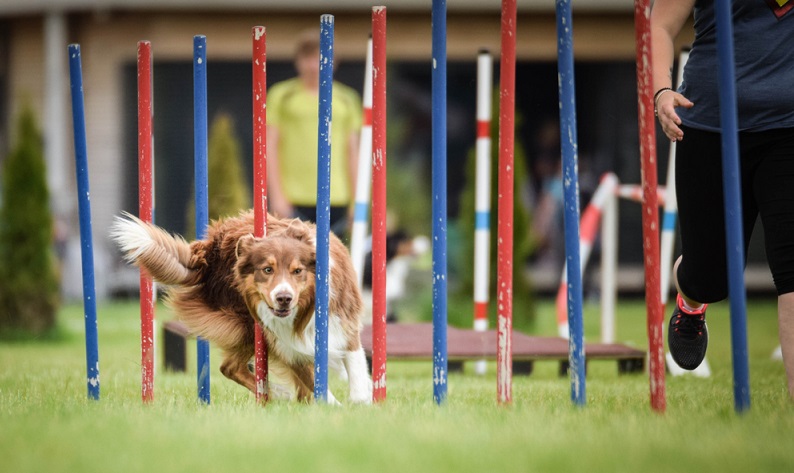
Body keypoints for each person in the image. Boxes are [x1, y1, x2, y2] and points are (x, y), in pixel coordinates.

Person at [651, 0, 794, 398]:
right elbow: (660, 26)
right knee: (711, 276)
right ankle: (691, 299)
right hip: (709, 123)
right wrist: (662, 90)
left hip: (788, 126)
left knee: (792, 267)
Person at [267, 30, 362, 235]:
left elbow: (353, 152)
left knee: (334, 264)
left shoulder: (347, 99)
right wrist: (277, 195)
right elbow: (269, 147)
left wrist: (358, 200)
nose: (313, 65)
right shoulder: (281, 95)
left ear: (334, 61)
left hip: (337, 198)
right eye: (308, 57)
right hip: (293, 199)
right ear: (298, 61)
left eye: (321, 58)